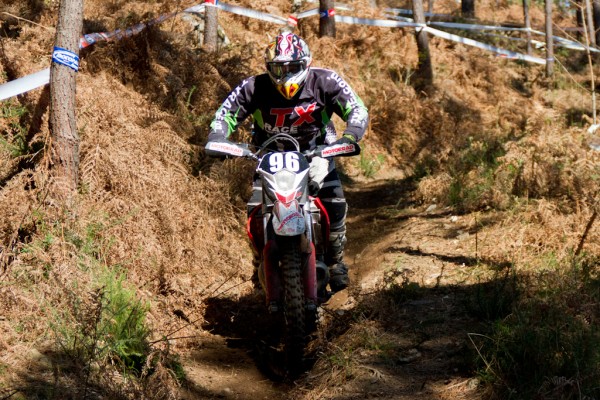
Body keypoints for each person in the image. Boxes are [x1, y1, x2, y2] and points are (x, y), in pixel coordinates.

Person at [207, 31, 369, 293]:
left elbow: (357, 108)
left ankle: (335, 260)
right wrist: (217, 135)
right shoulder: (253, 86)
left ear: (306, 63)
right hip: (269, 157)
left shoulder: (325, 81)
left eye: (292, 67)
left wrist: (349, 136)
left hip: (315, 153)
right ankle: (260, 261)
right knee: (255, 210)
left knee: (334, 201)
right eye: (278, 69)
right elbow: (225, 114)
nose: (285, 75)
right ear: (268, 67)